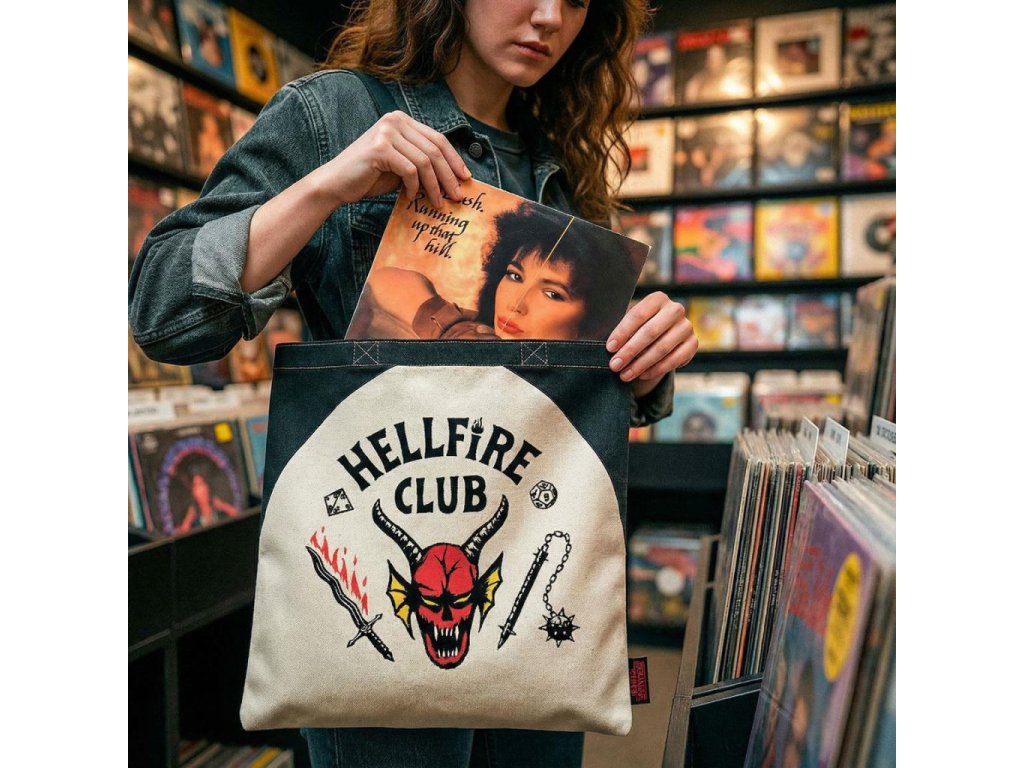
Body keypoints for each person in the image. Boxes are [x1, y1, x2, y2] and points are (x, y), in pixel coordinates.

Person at [129, 1, 698, 765]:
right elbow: (165, 312)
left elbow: (565, 412)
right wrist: (326, 186)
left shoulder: (558, 157)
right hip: (380, 584)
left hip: (532, 587)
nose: (549, 17)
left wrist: (644, 356)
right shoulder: (336, 114)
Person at [354, 199, 647, 340]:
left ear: (592, 320)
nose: (516, 304)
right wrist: (451, 330)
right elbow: (386, 281)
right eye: (514, 276)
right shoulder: (471, 330)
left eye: (552, 293)